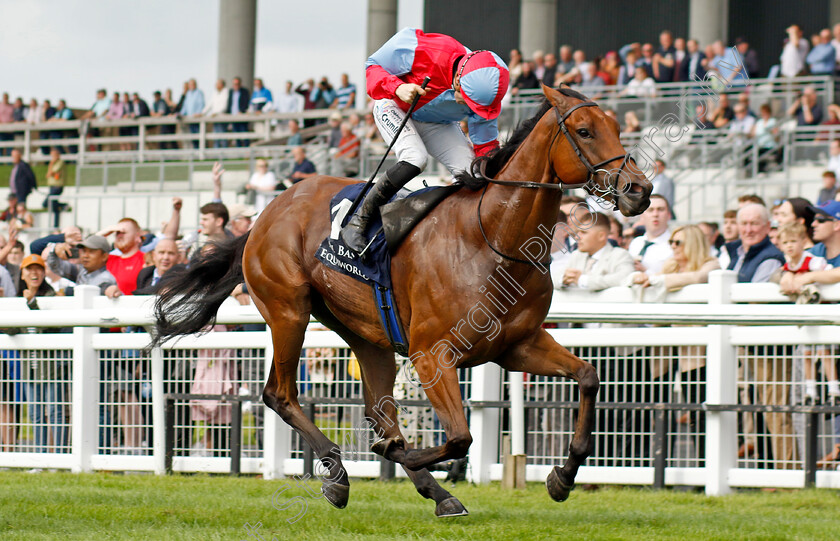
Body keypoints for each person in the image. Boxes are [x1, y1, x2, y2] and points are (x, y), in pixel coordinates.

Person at [340, 28, 509, 252]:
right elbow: (371, 67)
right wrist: (398, 87)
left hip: (437, 123)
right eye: (469, 102)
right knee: (415, 158)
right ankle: (358, 222)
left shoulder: (485, 94)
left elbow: (485, 147)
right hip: (394, 105)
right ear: (459, 80)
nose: (474, 110)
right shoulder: (421, 47)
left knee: (473, 174)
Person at [15, 254, 68, 454]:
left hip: (52, 367)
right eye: (29, 269)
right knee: (36, 414)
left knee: (55, 412)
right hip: (30, 367)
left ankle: (60, 457)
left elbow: (51, 324)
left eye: (38, 269)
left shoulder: (52, 297)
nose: (34, 273)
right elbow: (12, 330)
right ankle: (40, 457)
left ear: (44, 273)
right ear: (22, 274)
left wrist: (32, 303)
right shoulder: (17, 300)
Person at [552, 212, 635, 291]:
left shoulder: (620, 255)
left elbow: (625, 278)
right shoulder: (576, 255)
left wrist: (583, 280)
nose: (577, 237)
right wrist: (563, 279)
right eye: (577, 232)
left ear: (601, 236)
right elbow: (553, 278)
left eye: (584, 232)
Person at [628, 195, 673, 274]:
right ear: (642, 216)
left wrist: (647, 272)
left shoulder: (674, 244)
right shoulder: (635, 243)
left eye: (660, 209)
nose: (655, 214)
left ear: (669, 215)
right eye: (650, 210)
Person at [43, 148, 67, 227]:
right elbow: (48, 175)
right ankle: (63, 206)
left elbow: (51, 173)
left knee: (47, 203)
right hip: (52, 186)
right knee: (53, 205)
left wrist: (51, 164)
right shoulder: (53, 163)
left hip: (57, 186)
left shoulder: (60, 163)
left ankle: (63, 205)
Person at [226, 77, 250, 146]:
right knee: (236, 134)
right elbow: (229, 103)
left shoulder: (244, 92)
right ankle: (238, 149)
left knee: (244, 134)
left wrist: (242, 111)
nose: (235, 85)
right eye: (234, 84)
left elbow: (246, 102)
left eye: (237, 84)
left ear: (240, 84)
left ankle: (247, 149)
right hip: (233, 117)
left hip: (242, 116)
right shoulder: (231, 92)